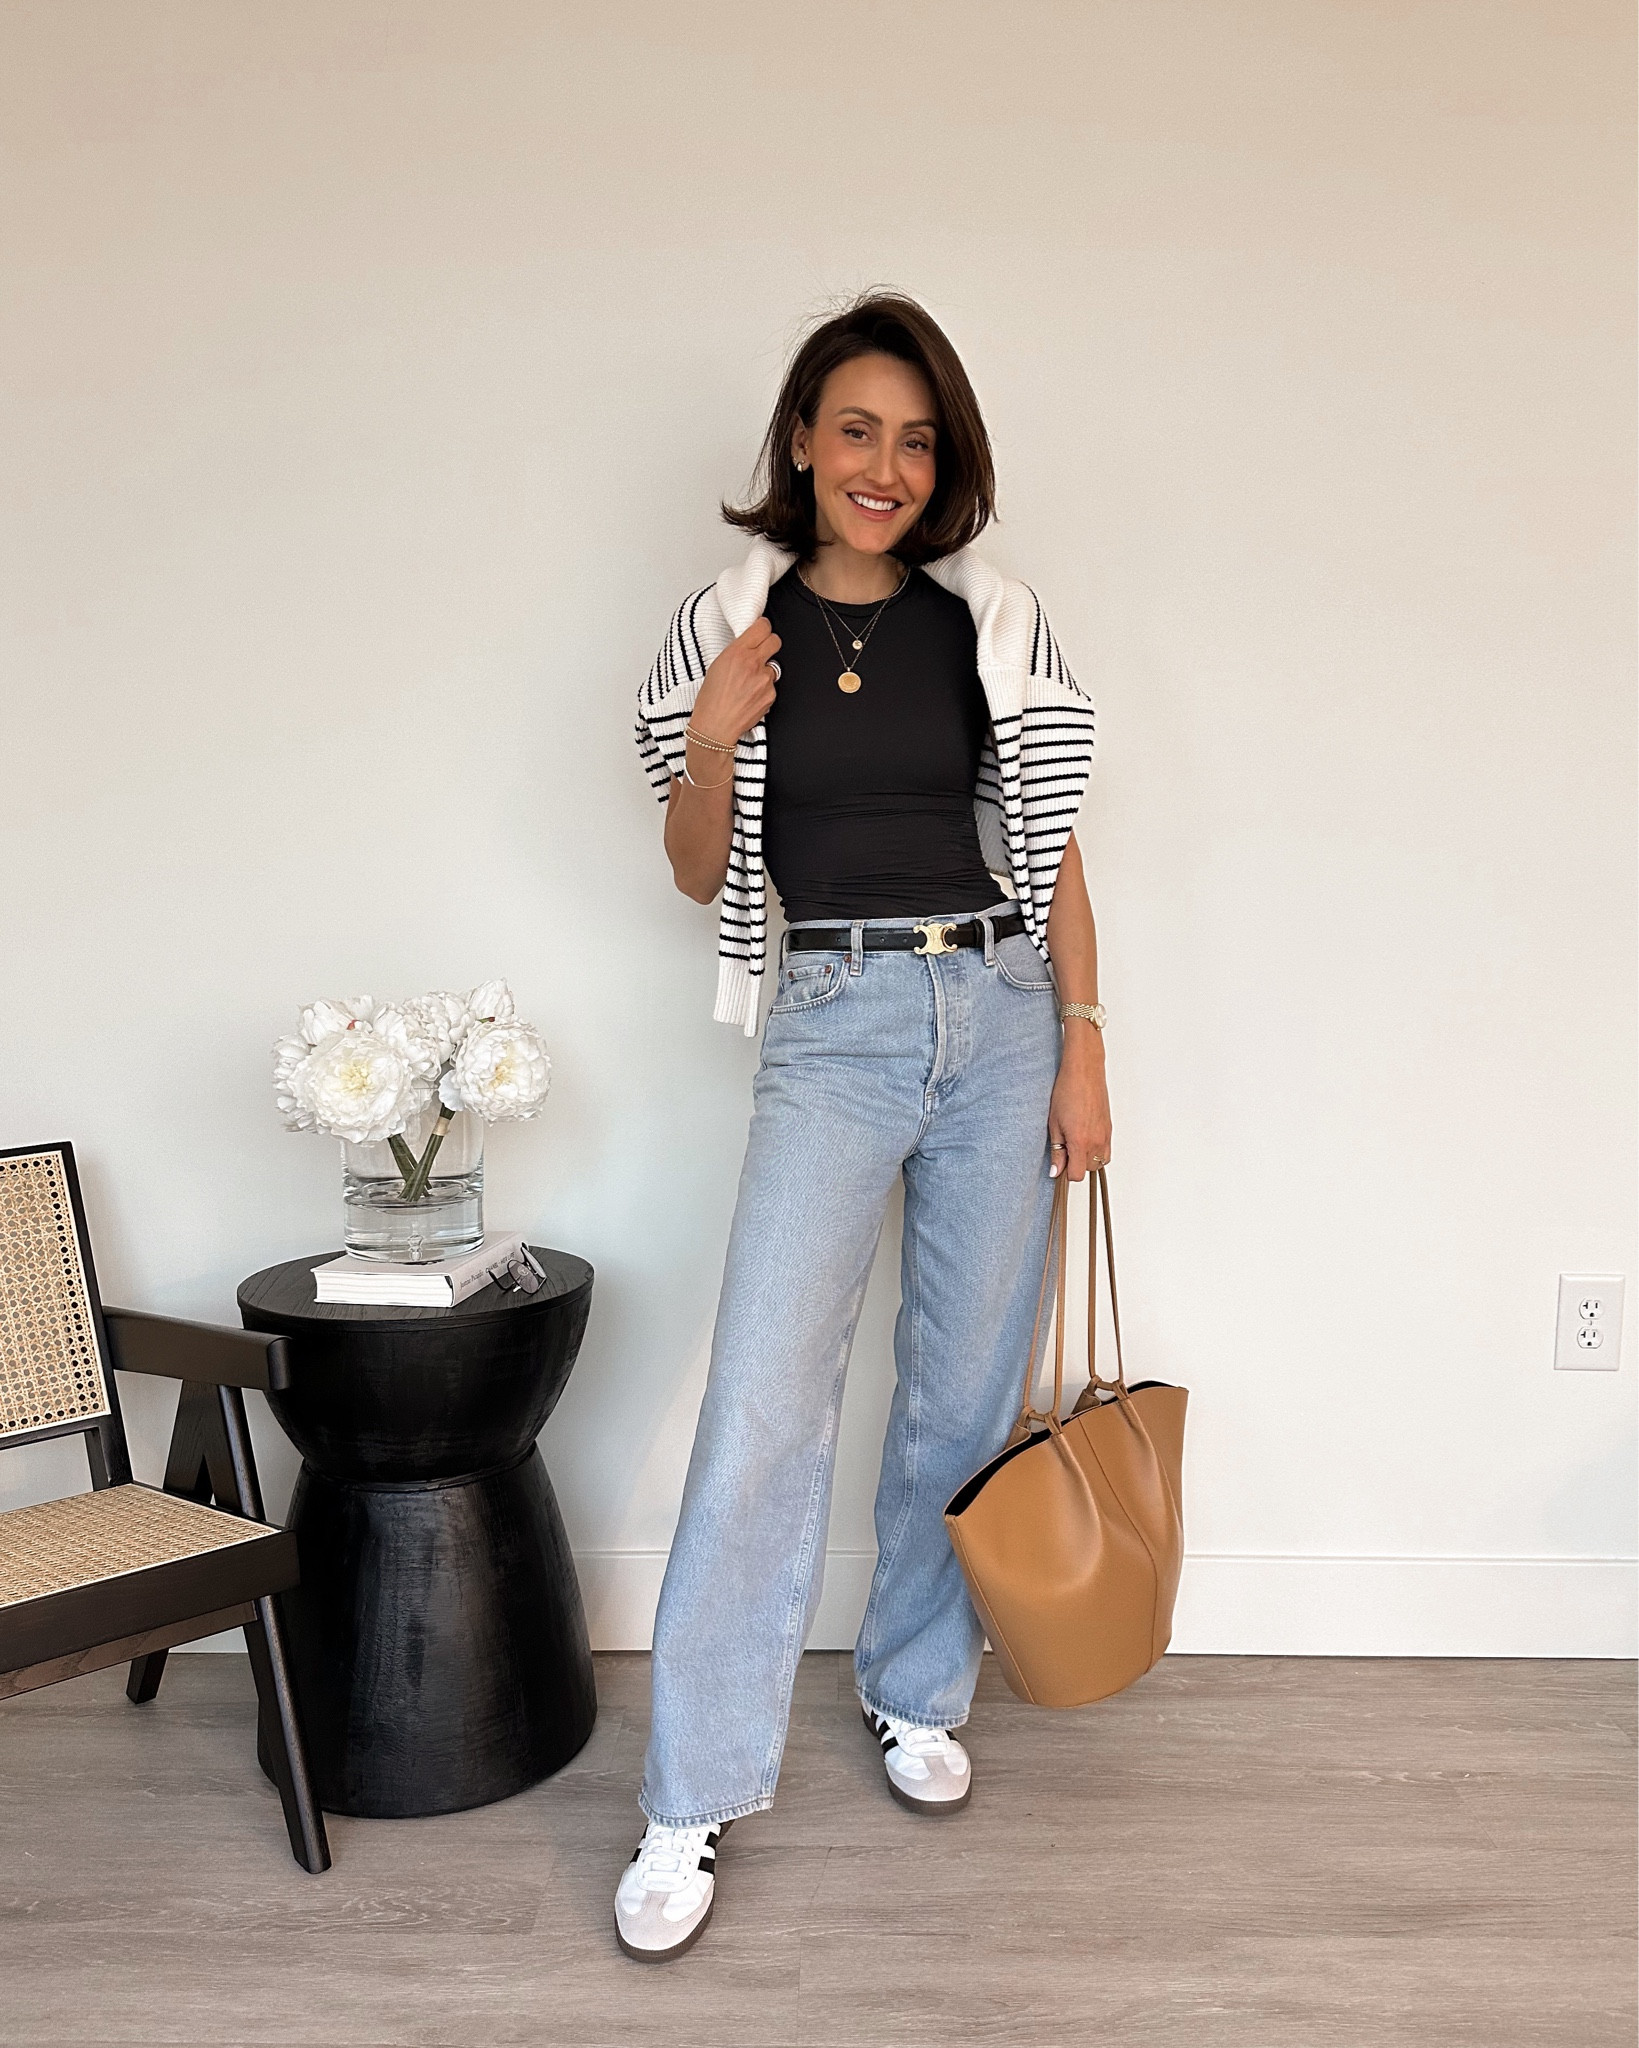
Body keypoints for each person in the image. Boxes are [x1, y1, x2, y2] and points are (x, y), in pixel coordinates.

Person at [621, 293, 1107, 1960]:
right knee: (766, 1397)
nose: (883, 466)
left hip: (999, 1010)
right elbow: (699, 873)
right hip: (829, 1024)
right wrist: (706, 741)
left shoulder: (990, 623)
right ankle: (688, 1796)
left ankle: (914, 1689)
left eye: (915, 439)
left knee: (960, 1388)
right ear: (803, 445)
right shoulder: (726, 625)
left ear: (940, 462)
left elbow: (1048, 850)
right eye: (855, 431)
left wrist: (1085, 1049)